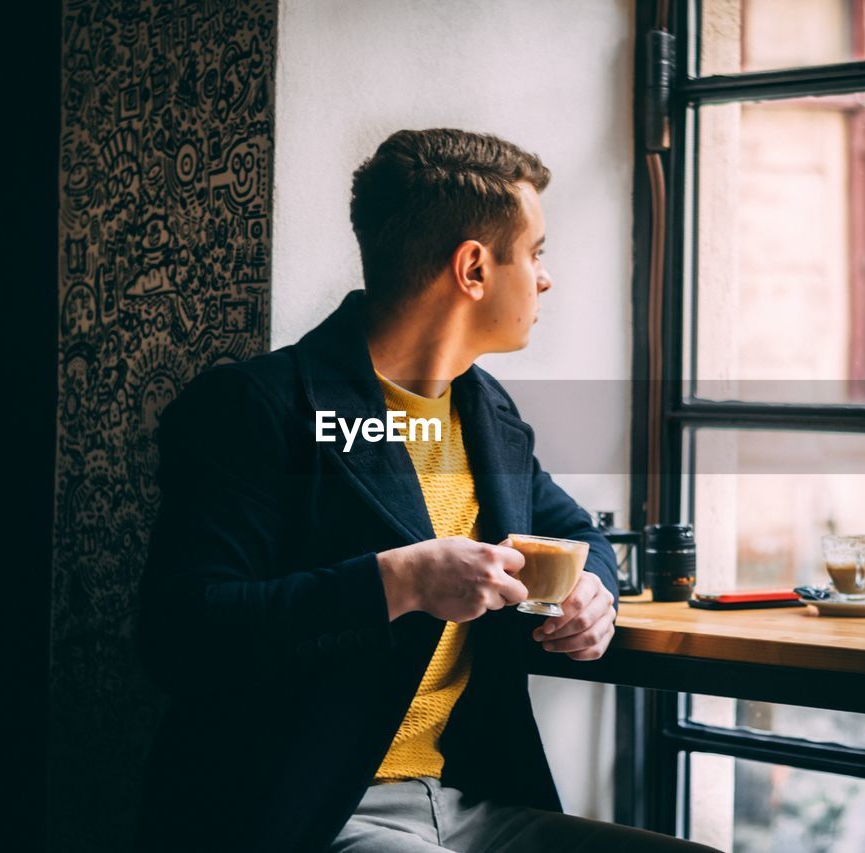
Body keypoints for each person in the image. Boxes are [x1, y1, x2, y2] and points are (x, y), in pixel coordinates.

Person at [135, 128, 715, 852]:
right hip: (311, 814)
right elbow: (178, 635)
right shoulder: (255, 408)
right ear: (473, 267)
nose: (544, 278)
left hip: (475, 804)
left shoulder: (485, 411)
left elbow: (579, 534)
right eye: (535, 253)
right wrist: (395, 582)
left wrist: (594, 591)